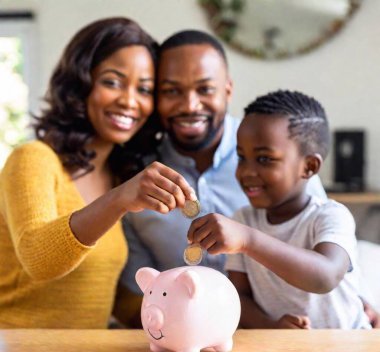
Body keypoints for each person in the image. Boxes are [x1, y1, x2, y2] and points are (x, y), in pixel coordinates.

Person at [117, 30, 326, 326]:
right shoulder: (137, 177)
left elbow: (326, 243)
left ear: (227, 90)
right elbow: (138, 291)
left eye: (205, 89)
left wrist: (357, 300)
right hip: (184, 341)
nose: (190, 105)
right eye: (172, 91)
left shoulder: (279, 152)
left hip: (287, 333)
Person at [0, 18, 196, 329]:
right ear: (82, 84)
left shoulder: (115, 177)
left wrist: (181, 321)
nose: (129, 101)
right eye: (112, 82)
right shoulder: (33, 159)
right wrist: (119, 199)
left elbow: (101, 292)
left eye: (144, 89)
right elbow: (39, 260)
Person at [187, 90, 371, 329]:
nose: (246, 172)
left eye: (264, 159)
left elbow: (325, 276)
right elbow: (239, 298)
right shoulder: (243, 219)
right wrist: (271, 326)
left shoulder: (330, 215)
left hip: (347, 349)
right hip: (281, 351)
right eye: (242, 157)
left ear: (309, 166)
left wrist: (248, 240)